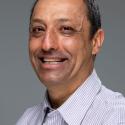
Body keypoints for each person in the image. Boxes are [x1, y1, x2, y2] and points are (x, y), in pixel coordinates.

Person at [16, 0, 125, 124]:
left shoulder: (118, 118)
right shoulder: (27, 120)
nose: (47, 45)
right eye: (38, 29)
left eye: (66, 29)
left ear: (95, 41)